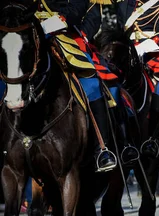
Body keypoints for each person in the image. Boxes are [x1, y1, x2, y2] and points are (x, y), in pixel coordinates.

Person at [18, 0, 119, 172]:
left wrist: (55, 23)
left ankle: (102, 149)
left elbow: (77, 8)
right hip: (27, 34)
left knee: (92, 84)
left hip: (64, 36)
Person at [82, 0, 141, 167]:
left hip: (74, 42)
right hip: (36, 40)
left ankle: (120, 144)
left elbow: (91, 17)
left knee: (110, 87)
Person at [118, 0, 159, 159]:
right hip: (128, 55)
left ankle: (154, 138)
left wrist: (142, 48)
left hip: (152, 53)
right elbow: (120, 33)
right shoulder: (125, 4)